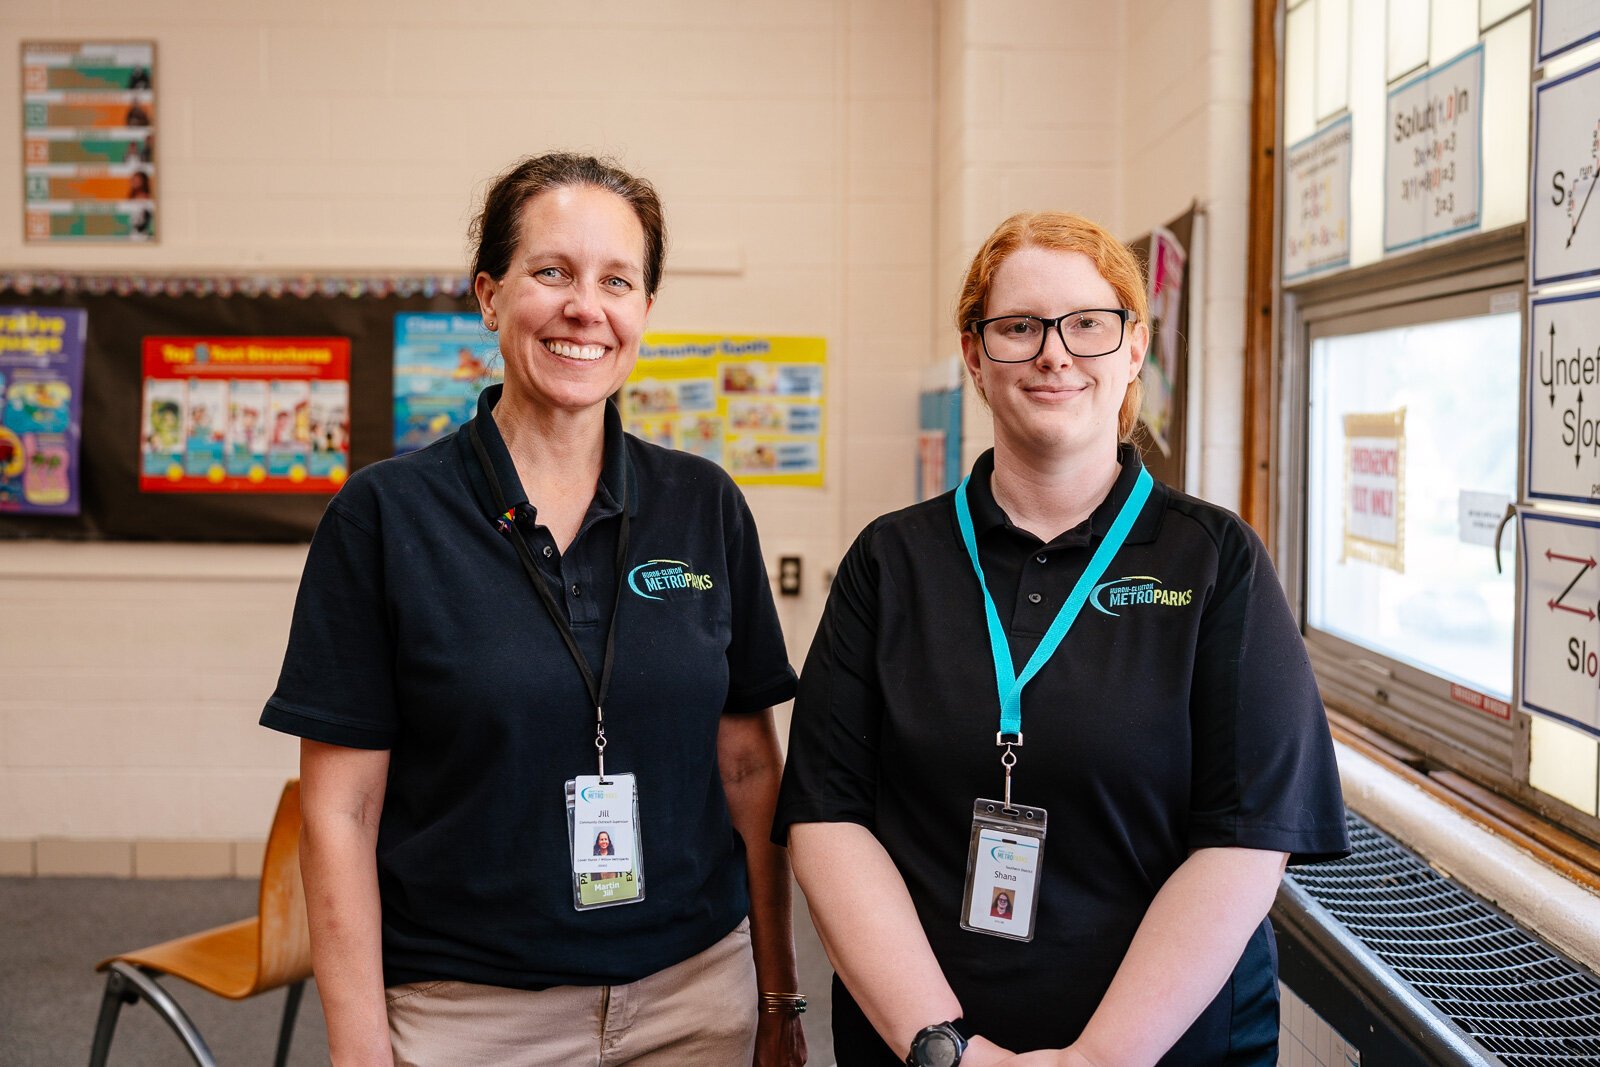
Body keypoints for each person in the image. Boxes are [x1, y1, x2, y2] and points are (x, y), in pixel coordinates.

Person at [263, 153, 807, 1067]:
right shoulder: (385, 516)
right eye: (552, 271)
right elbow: (341, 812)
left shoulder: (704, 503)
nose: (585, 307)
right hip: (471, 1015)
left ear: (644, 308)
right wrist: (358, 1050)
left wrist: (778, 994)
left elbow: (750, 769)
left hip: (695, 1001)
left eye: (617, 281)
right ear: (490, 294)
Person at [775, 211, 1348, 1066]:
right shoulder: (890, 563)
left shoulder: (1216, 561)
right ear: (974, 355)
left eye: (1087, 324)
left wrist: (1098, 1060)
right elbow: (828, 817)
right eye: (1019, 326)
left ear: (1133, 348)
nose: (1054, 353)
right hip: (923, 1047)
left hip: (1168, 1047)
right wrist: (944, 1044)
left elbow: (1246, 840)